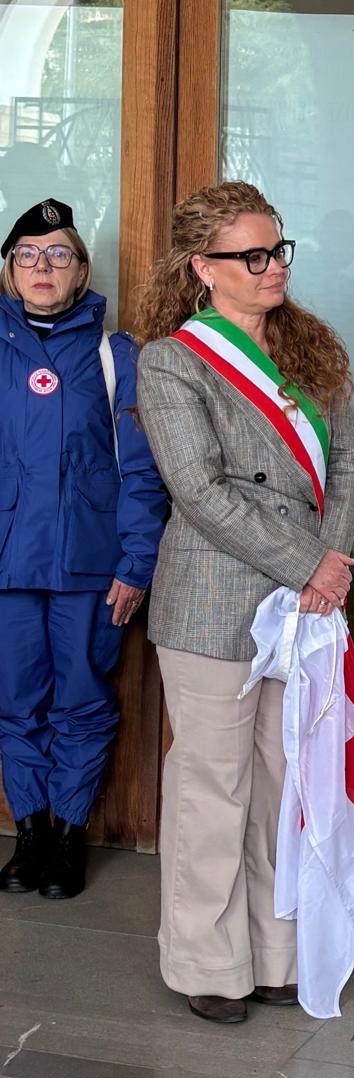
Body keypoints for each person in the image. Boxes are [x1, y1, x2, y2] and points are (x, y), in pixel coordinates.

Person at [134, 181, 354, 1025]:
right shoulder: (172, 361)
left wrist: (327, 566)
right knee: (213, 789)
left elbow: (344, 466)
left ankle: (273, 954)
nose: (274, 268)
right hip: (213, 601)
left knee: (282, 785)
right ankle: (207, 960)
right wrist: (311, 563)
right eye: (253, 256)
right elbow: (199, 490)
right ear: (204, 267)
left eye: (278, 250)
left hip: (304, 600)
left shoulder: (311, 349)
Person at [0, 198, 168, 898]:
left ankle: (69, 835)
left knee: (81, 701)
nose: (42, 267)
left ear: (82, 270)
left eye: (58, 255)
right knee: (15, 702)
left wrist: (136, 563)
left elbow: (142, 472)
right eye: (27, 255)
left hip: (89, 567)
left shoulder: (116, 355)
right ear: (9, 270)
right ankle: (30, 834)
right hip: (9, 564)